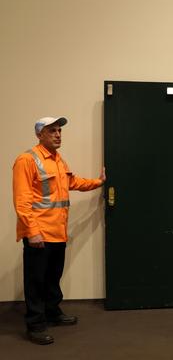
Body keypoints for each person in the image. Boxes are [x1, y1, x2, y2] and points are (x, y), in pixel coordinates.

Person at [12, 116, 105, 345]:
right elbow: (22, 202)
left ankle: (52, 312)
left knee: (53, 277)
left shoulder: (58, 160)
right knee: (35, 281)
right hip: (39, 233)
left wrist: (98, 182)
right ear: (39, 135)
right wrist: (32, 231)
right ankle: (35, 325)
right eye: (52, 131)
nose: (57, 134)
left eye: (59, 131)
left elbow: (73, 183)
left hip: (58, 231)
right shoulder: (27, 160)